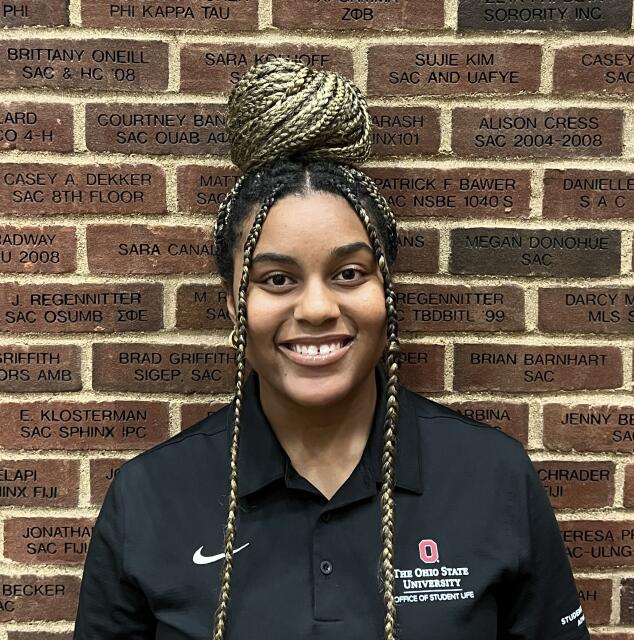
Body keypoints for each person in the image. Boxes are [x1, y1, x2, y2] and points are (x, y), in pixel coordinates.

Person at [73, 58, 591, 640]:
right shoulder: (148, 498)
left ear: (386, 291)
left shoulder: (495, 478)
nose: (317, 309)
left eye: (348, 273)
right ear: (231, 306)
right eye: (276, 279)